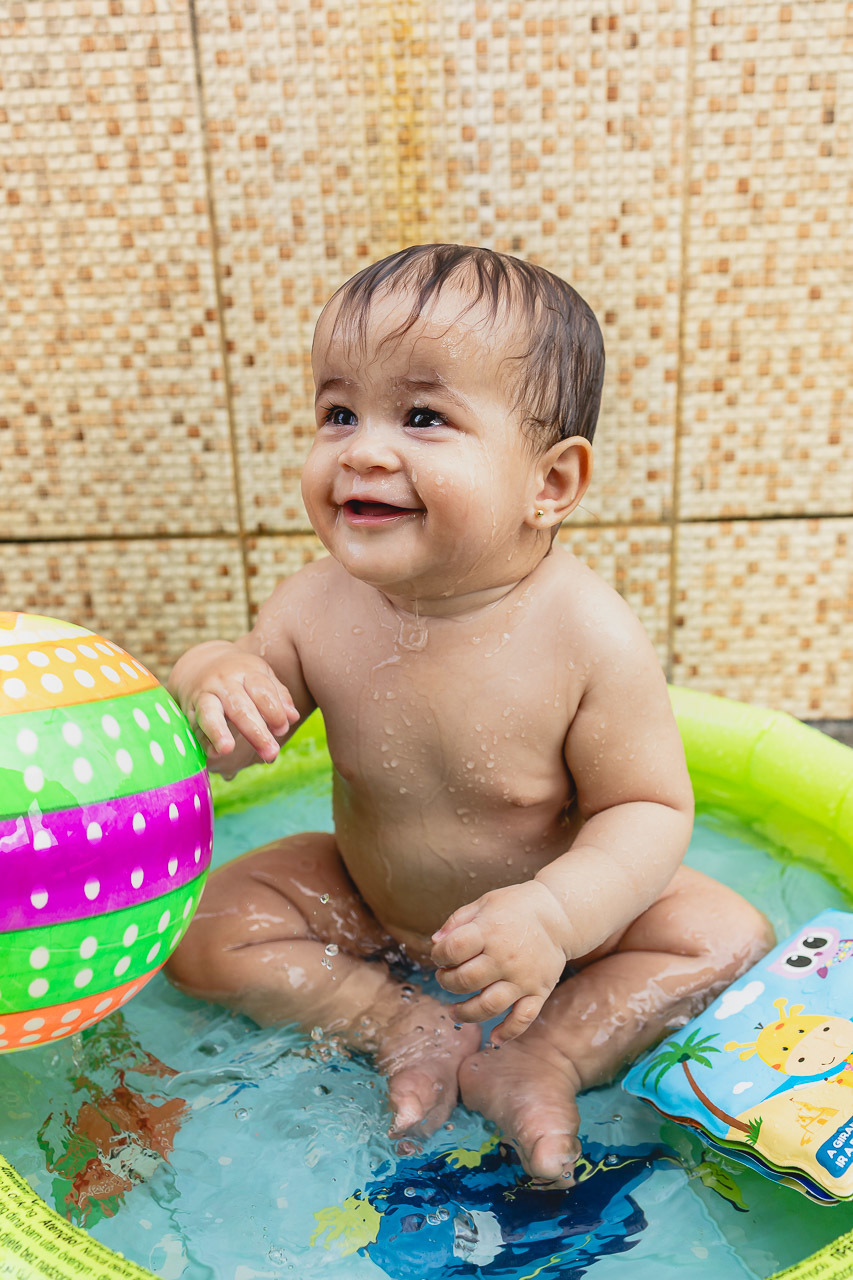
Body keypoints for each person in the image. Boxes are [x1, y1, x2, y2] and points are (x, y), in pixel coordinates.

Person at [166, 244, 773, 1185]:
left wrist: (557, 915)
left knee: (724, 935)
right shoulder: (313, 607)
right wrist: (212, 674)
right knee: (201, 923)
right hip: (368, 903)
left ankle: (546, 1051)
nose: (362, 450)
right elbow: (234, 750)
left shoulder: (585, 634)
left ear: (550, 485)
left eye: (422, 417)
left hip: (561, 926)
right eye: (338, 412)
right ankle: (391, 1018)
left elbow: (647, 809)